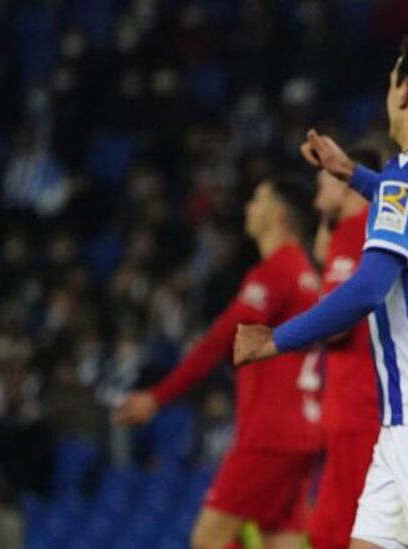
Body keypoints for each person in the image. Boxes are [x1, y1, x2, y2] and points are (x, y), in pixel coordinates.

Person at [233, 32, 408, 549]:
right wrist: (351, 174)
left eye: (392, 78)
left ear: (405, 91)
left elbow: (368, 289)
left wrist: (275, 340)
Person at [115, 177, 324, 549]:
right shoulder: (306, 275)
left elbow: (217, 342)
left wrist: (157, 397)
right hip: (301, 432)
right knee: (282, 540)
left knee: (208, 540)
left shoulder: (275, 273)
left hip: (270, 435)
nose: (248, 208)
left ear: (278, 214)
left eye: (257, 200)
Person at [305, 145, 384, 549]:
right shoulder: (369, 228)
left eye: (324, 183)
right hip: (358, 407)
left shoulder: (356, 230)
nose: (317, 194)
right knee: (329, 533)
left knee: (352, 534)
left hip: (359, 407)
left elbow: (335, 327)